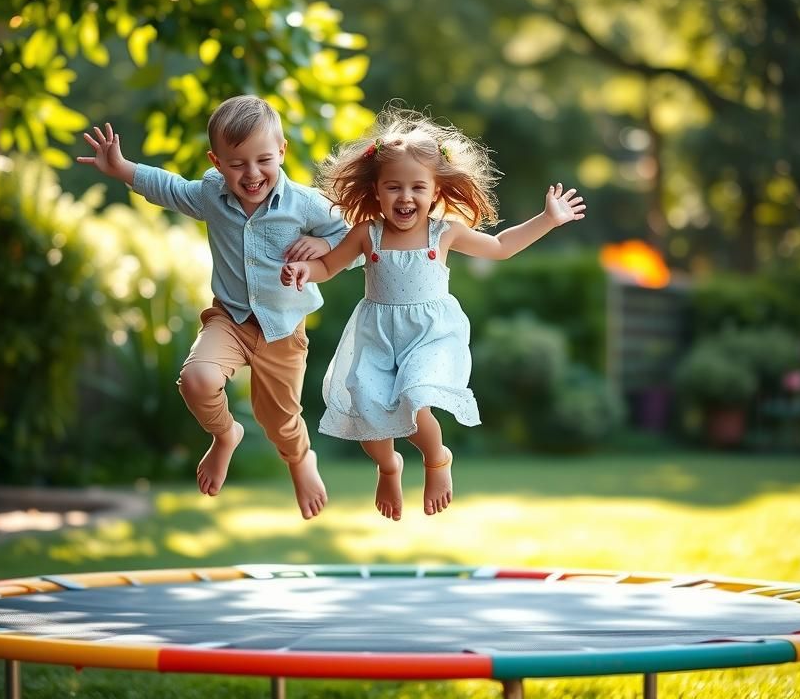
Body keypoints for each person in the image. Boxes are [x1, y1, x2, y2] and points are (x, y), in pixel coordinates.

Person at [280, 107, 585, 520]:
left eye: (417, 187)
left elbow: (500, 247)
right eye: (393, 187)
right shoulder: (366, 233)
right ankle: (388, 466)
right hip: (377, 335)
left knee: (416, 396)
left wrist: (547, 220)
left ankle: (437, 459)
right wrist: (305, 269)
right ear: (376, 191)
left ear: (436, 192)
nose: (405, 197)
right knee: (367, 411)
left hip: (429, 337)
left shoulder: (444, 233)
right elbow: (330, 266)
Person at [77, 96, 349, 519]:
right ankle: (225, 436)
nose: (252, 173)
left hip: (283, 327)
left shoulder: (306, 203)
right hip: (231, 319)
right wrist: (122, 168)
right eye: (237, 163)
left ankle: (300, 460)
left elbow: (348, 237)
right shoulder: (210, 193)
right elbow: (170, 188)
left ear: (281, 152)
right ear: (217, 161)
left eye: (263, 160)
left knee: (279, 421)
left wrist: (322, 247)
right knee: (197, 379)